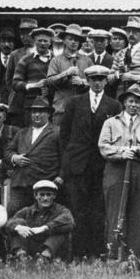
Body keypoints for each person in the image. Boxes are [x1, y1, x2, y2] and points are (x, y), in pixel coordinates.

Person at [57, 64, 122, 259]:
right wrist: (69, 161)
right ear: (88, 81)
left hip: (101, 166)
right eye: (94, 79)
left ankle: (96, 252)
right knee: (78, 209)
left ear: (105, 81)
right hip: (77, 165)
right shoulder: (75, 102)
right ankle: (77, 254)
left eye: (101, 79)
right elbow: (64, 136)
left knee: (98, 211)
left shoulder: (114, 105)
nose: (98, 83)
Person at [98, 84, 140, 263]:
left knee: (137, 213)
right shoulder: (111, 123)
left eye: (137, 102)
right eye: (131, 101)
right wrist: (121, 152)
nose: (134, 105)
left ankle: (132, 255)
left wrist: (139, 149)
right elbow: (103, 146)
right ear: (124, 102)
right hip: (116, 170)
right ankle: (113, 254)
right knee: (115, 213)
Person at [5, 98, 63, 217]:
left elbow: (65, 155)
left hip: (45, 182)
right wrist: (15, 157)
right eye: (34, 112)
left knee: (42, 216)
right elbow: (8, 150)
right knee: (12, 212)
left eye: (40, 112)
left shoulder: (57, 131)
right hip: (21, 182)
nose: (37, 115)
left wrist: (61, 176)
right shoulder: (22, 132)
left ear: (48, 113)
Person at [7, 179, 75, 265]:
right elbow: (9, 223)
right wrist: (18, 228)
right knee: (16, 224)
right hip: (31, 247)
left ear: (54, 196)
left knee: (61, 228)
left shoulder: (60, 210)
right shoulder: (27, 210)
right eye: (42, 195)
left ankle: (44, 258)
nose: (45, 198)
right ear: (35, 196)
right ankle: (21, 257)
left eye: (49, 195)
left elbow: (69, 221)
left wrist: (44, 228)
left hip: (52, 249)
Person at [10, 26, 55, 128]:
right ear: (34, 41)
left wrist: (50, 90)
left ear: (50, 43)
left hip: (51, 105)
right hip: (31, 105)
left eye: (45, 41)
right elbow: (15, 83)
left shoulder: (56, 60)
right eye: (39, 40)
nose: (42, 43)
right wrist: (34, 85)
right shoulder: (25, 60)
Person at [44, 24, 91, 114]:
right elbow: (49, 82)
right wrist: (65, 73)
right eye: (70, 39)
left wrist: (82, 82)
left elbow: (96, 82)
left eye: (76, 40)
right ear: (64, 40)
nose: (73, 42)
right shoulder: (56, 60)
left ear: (80, 42)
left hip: (82, 109)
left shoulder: (87, 61)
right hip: (61, 108)